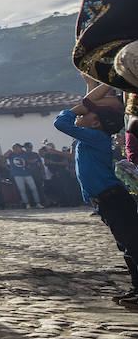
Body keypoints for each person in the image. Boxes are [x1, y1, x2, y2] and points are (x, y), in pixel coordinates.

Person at [55, 84, 135, 306]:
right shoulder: (91, 137)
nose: (80, 116)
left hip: (113, 199)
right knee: (127, 246)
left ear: (96, 123)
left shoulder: (95, 137)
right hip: (107, 200)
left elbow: (60, 122)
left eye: (84, 115)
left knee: (132, 245)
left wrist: (74, 110)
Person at [7, 143, 43, 208]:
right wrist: (8, 152)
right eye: (19, 147)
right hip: (17, 175)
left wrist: (33, 161)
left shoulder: (24, 153)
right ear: (14, 148)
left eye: (21, 147)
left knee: (33, 188)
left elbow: (28, 161)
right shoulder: (11, 154)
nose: (21, 149)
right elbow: (2, 158)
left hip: (27, 174)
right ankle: (27, 204)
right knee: (22, 190)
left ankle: (38, 203)